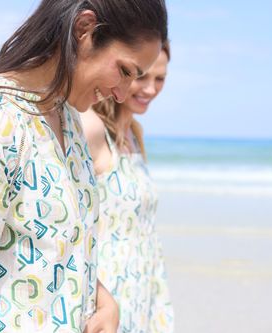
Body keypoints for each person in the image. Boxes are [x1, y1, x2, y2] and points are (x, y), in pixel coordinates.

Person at [0, 1, 167, 332]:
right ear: (84, 29)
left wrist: (104, 299)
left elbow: (58, 251)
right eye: (125, 71)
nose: (121, 94)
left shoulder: (68, 121)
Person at [81, 42, 173, 333]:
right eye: (141, 76)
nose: (150, 89)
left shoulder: (134, 134)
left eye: (160, 79)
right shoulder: (91, 128)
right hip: (107, 296)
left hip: (143, 292)